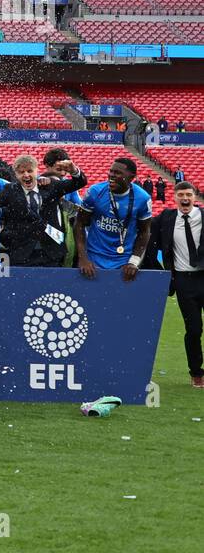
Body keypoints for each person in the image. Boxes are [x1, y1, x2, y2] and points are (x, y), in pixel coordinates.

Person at [146, 182, 204, 388]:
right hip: (183, 281)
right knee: (194, 328)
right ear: (174, 198)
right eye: (181, 195)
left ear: (195, 197)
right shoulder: (165, 220)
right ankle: (197, 373)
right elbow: (145, 233)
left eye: (189, 194)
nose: (185, 198)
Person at [0, 154, 86, 268]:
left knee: (51, 286)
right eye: (21, 172)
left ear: (37, 171)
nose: (26, 175)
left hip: (51, 253)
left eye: (30, 171)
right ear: (15, 174)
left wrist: (74, 171)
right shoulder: (10, 190)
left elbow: (79, 183)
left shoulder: (50, 186)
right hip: (21, 253)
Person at [76, 157, 152, 281]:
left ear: (131, 177)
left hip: (124, 261)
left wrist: (134, 261)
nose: (111, 175)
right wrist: (83, 258)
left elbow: (145, 232)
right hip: (94, 258)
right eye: (111, 171)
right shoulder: (95, 192)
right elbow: (79, 223)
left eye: (117, 173)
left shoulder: (143, 198)